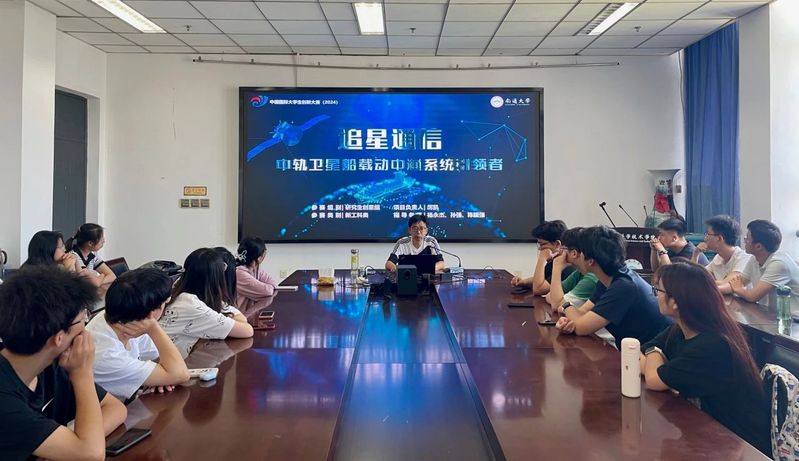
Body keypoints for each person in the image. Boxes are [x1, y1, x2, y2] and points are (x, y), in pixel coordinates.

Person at [640, 262, 770, 455]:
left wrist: (655, 353)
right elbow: (640, 356)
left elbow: (653, 379)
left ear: (676, 302)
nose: (655, 295)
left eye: (658, 290)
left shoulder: (713, 345)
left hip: (739, 445)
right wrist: (657, 357)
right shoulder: (680, 329)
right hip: (707, 431)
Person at [0, 266, 127, 461]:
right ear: (59, 338)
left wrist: (65, 445)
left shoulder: (51, 363)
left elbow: (116, 408)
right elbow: (91, 454)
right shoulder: (5, 400)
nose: (86, 328)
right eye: (83, 319)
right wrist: (83, 374)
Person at [555, 226, 672, 348]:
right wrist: (568, 321)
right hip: (638, 350)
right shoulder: (610, 279)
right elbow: (582, 315)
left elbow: (581, 328)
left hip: (658, 353)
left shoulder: (624, 286)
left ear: (590, 261)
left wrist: (565, 305)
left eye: (581, 252)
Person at [87, 268, 189, 401]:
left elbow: (160, 358)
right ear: (151, 314)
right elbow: (181, 374)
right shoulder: (106, 353)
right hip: (113, 410)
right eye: (166, 302)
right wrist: (154, 327)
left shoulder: (125, 318)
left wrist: (163, 376)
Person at [159, 248, 254, 358]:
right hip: (163, 365)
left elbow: (240, 319)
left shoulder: (181, 293)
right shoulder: (192, 306)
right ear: (215, 278)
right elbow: (247, 330)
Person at [730, 220, 799, 309]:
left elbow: (752, 296)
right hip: (768, 313)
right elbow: (738, 282)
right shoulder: (754, 259)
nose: (744, 240)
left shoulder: (779, 263)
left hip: (791, 316)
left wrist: (739, 289)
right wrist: (736, 287)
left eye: (747, 238)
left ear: (758, 246)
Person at [693, 215, 759, 294]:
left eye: (707, 234)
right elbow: (696, 277)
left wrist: (703, 282)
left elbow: (727, 284)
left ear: (719, 238)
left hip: (741, 301)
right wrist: (696, 254)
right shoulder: (718, 258)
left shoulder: (743, 258)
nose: (705, 238)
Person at [511, 220, 574, 295]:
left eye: (542, 244)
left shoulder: (568, 266)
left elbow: (538, 289)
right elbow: (542, 280)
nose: (539, 248)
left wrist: (542, 258)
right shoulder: (557, 259)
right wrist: (523, 282)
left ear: (557, 244)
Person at [545, 227, 598, 310]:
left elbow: (556, 305)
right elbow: (550, 296)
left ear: (574, 253)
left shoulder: (592, 277)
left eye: (563, 249)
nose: (560, 252)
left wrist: (557, 268)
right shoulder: (579, 272)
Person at [65, 224, 116, 289]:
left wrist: (98, 281)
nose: (104, 241)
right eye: (101, 238)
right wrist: (102, 275)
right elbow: (93, 283)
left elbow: (112, 276)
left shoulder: (92, 256)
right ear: (90, 243)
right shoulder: (74, 255)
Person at [234, 238, 279, 311]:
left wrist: (260, 290)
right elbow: (268, 291)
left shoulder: (255, 269)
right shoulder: (239, 273)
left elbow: (274, 284)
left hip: (247, 315)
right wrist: (263, 289)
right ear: (259, 258)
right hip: (237, 316)